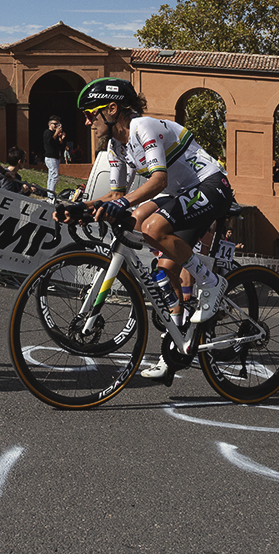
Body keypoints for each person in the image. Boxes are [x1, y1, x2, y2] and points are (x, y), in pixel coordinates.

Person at [67, 77, 233, 386]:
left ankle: (212, 282)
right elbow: (116, 195)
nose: (87, 121)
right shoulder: (116, 145)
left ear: (112, 109)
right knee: (161, 273)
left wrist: (125, 202)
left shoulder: (143, 127)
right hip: (179, 196)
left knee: (150, 224)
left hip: (211, 186)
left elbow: (156, 181)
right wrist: (83, 208)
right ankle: (173, 352)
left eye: (91, 113)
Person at [43, 116, 65, 201]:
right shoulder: (47, 133)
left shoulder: (54, 134)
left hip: (55, 157)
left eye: (58, 124)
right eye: (55, 124)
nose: (56, 126)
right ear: (49, 124)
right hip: (50, 157)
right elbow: (49, 142)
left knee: (52, 176)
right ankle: (51, 196)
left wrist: (61, 139)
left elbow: (58, 146)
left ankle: (50, 194)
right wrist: (56, 133)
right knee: (54, 176)